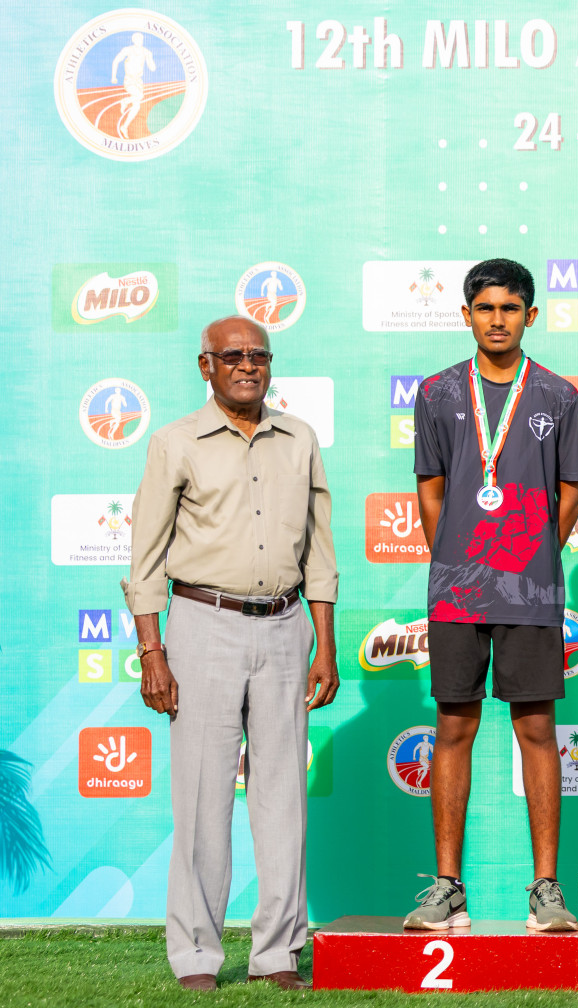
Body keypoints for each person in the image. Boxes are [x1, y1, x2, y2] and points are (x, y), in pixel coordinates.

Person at [123, 316, 339, 991]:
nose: (248, 365)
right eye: (234, 355)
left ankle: (278, 953)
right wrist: (152, 651)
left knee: (284, 799)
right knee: (200, 799)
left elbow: (320, 550)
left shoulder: (299, 438)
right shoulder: (174, 442)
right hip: (201, 624)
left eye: (259, 355)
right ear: (206, 365)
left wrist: (325, 643)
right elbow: (145, 557)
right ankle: (196, 955)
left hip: (285, 626)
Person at [405, 258, 578, 932]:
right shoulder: (437, 392)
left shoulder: (558, 395)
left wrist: (531, 557)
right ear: (466, 315)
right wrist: (457, 558)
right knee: (453, 728)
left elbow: (570, 492)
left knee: (536, 730)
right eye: (485, 308)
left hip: (529, 591)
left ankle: (546, 890)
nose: (498, 320)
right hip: (457, 591)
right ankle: (447, 887)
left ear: (531, 315)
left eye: (511, 308)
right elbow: (430, 487)